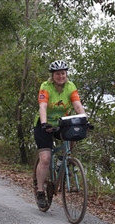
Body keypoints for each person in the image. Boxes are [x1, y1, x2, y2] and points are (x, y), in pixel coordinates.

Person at [33, 60, 86, 209]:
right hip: (44, 125)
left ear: (66, 74)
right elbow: (42, 106)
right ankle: (40, 191)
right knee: (45, 158)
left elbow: (77, 105)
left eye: (63, 73)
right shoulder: (46, 86)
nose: (61, 76)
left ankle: (62, 159)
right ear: (52, 75)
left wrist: (84, 121)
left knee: (75, 133)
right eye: (57, 73)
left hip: (61, 123)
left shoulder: (71, 87)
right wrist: (44, 123)